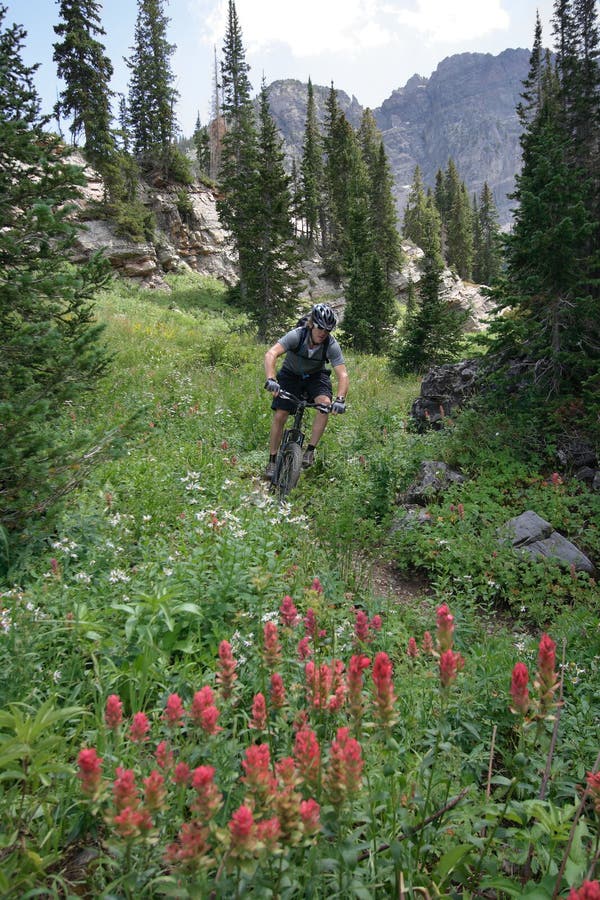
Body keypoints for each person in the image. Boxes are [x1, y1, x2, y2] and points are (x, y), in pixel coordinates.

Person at [263, 303, 349, 480]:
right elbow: (271, 354)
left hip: (315, 376)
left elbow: (343, 374)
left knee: (325, 405)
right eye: (320, 328)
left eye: (328, 330)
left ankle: (309, 451)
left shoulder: (331, 345)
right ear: (311, 324)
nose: (323, 333)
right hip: (290, 374)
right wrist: (271, 379)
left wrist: (340, 399)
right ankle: (272, 460)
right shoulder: (297, 335)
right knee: (281, 414)